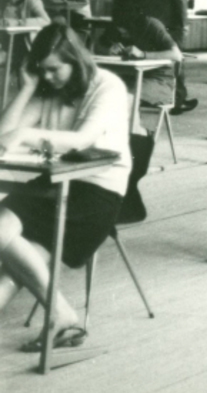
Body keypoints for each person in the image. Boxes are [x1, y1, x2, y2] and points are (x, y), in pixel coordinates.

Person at [0, 23, 131, 351]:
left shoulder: (107, 86)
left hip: (96, 193)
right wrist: (27, 88)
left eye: (54, 69)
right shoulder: (47, 87)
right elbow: (3, 133)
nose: (47, 76)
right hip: (53, 185)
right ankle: (63, 318)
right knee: (10, 245)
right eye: (41, 70)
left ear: (75, 60)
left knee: (13, 257)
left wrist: (25, 135)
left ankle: (62, 317)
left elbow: (81, 140)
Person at [96, 0, 185, 111]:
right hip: (132, 76)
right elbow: (98, 46)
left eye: (126, 32)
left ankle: (134, 123)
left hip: (159, 81)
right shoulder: (117, 24)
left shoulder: (152, 25)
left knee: (124, 94)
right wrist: (108, 50)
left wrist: (143, 54)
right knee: (104, 90)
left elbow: (176, 55)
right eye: (120, 30)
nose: (123, 34)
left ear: (134, 23)